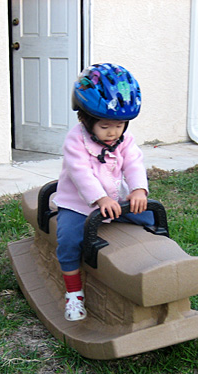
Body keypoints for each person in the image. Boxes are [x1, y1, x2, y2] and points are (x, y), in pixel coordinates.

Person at [53, 63, 154, 321]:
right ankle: (73, 294)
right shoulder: (75, 140)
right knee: (68, 240)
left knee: (150, 218)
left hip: (114, 201)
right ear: (85, 120)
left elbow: (133, 163)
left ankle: (154, 264)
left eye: (120, 126)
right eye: (106, 126)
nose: (113, 133)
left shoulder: (124, 139)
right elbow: (80, 173)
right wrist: (100, 199)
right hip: (79, 204)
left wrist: (138, 189)